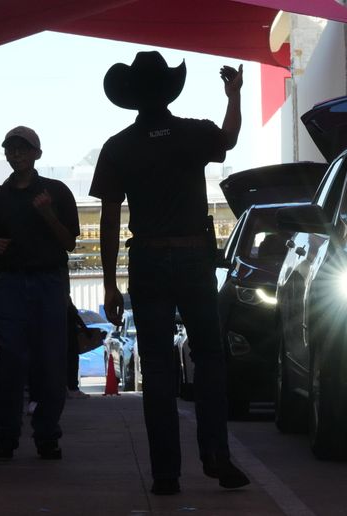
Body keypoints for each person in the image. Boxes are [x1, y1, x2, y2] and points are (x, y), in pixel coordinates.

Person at [89, 51, 249, 495]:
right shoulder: (192, 133)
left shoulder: (118, 146)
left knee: (157, 367)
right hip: (195, 258)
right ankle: (216, 455)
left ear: (132, 97)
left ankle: (165, 474)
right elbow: (230, 138)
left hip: (148, 261)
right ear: (168, 91)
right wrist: (233, 96)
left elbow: (108, 218)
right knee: (210, 358)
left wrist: (108, 282)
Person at [0, 126, 80, 460]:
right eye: (11, 149)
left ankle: (46, 434)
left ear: (37, 154)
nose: (17, 154)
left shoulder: (57, 191)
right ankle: (6, 435)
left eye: (23, 149)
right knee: (10, 360)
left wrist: (48, 214)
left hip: (48, 281)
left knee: (51, 361)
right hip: (10, 281)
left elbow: (68, 242)